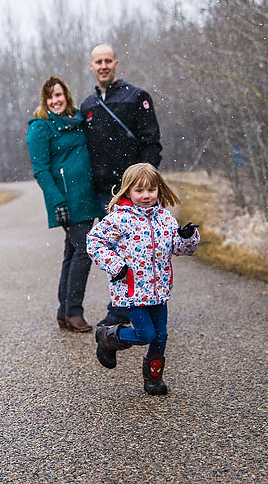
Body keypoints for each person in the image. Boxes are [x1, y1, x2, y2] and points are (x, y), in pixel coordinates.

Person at [86, 163, 199, 395]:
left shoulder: (165, 219)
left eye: (151, 190)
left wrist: (187, 238)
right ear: (127, 191)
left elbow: (179, 248)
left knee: (161, 336)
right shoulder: (119, 219)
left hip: (159, 290)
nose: (146, 196)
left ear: (159, 190)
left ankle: (153, 379)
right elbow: (94, 242)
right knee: (146, 334)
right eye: (139, 191)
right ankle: (109, 336)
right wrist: (115, 265)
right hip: (132, 290)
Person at [80, 43, 163, 328]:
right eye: (97, 62)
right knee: (114, 251)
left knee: (141, 248)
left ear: (116, 64)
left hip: (135, 191)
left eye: (107, 61)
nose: (103, 66)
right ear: (91, 67)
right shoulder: (88, 106)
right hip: (106, 194)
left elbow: (152, 143)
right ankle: (122, 306)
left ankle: (139, 304)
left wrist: (146, 184)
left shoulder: (137, 98)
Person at [26, 76, 104, 333]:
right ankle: (74, 311)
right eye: (50, 97)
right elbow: (41, 170)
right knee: (85, 250)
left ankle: (64, 311)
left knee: (72, 252)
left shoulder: (78, 121)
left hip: (87, 197)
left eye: (58, 95)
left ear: (66, 96)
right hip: (66, 201)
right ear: (44, 101)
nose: (55, 100)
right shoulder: (41, 127)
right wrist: (57, 201)